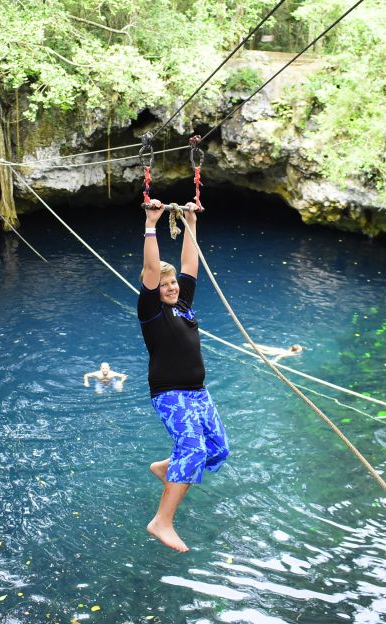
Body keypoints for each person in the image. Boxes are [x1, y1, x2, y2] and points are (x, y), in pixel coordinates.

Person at [137, 199, 230, 553]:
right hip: (170, 393)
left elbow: (190, 264)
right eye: (164, 285)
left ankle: (166, 467)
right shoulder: (151, 312)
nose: (172, 287)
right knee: (192, 450)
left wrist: (191, 221)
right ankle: (161, 521)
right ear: (154, 291)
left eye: (173, 282)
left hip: (197, 391)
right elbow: (150, 267)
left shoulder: (184, 304)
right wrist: (152, 223)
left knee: (218, 450)